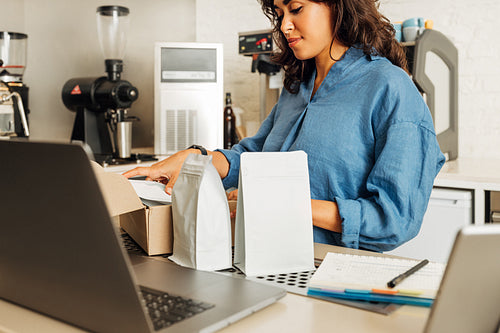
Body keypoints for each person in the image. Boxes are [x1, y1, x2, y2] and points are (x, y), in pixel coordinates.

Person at [124, 0, 445, 252]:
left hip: (331, 274)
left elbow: (395, 220)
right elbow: (251, 158)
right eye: (279, 13)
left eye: (296, 9)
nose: (284, 26)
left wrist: (287, 205)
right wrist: (196, 159)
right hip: (259, 261)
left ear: (338, 6)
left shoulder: (389, 87)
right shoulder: (296, 89)